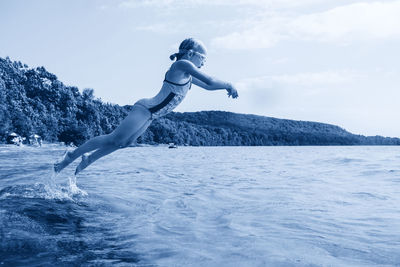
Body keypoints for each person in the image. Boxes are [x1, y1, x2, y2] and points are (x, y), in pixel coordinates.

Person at [54, 38, 238, 175]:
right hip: (144, 109)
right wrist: (229, 84)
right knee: (114, 138)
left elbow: (207, 86)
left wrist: (224, 89)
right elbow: (210, 79)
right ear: (191, 54)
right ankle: (72, 154)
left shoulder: (188, 75)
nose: (204, 62)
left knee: (124, 143)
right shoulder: (182, 64)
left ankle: (89, 158)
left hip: (151, 116)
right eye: (203, 58)